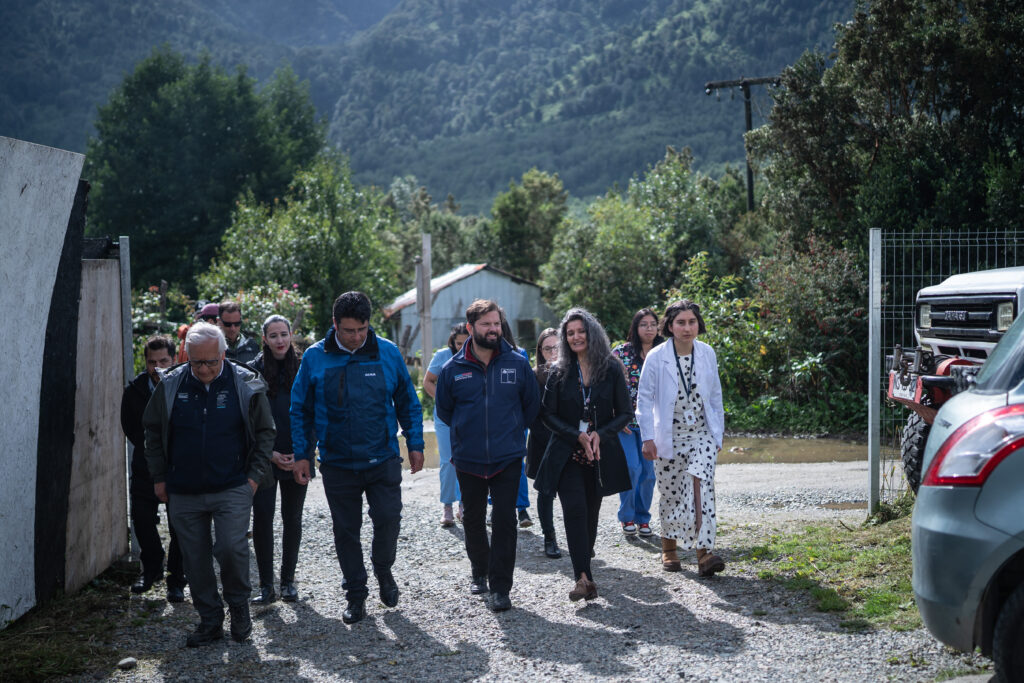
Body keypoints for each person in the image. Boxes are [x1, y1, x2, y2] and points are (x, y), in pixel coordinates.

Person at [290, 291, 424, 625]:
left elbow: (408, 401)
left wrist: (415, 442)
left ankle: (383, 569)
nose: (356, 337)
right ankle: (356, 594)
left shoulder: (387, 353)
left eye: (362, 329)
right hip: (337, 464)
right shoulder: (314, 357)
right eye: (349, 330)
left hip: (382, 458)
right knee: (346, 531)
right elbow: (300, 410)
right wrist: (303, 455)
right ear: (335, 324)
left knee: (389, 519)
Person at [143, 322, 275, 647]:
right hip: (183, 489)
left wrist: (253, 478)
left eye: (211, 362)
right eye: (196, 362)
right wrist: (160, 477)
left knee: (231, 548)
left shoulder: (245, 384)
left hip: (232, 485)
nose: (203, 369)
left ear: (223, 354)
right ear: (187, 355)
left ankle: (239, 607)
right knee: (194, 558)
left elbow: (265, 432)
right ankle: (210, 619)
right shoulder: (171, 385)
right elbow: (152, 432)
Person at [435, 299, 540, 612]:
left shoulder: (518, 363)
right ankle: (479, 570)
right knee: (473, 520)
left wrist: (509, 432)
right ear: (470, 328)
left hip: (507, 458)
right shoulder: (452, 369)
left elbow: (531, 406)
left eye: (496, 324)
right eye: (486, 325)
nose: (493, 329)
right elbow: (444, 410)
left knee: (505, 521)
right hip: (468, 460)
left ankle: (500, 587)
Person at [535, 308, 633, 602]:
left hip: (599, 455)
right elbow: (547, 415)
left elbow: (625, 413)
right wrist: (576, 434)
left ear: (591, 333)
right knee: (573, 511)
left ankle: (585, 566)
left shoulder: (611, 367)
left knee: (590, 515)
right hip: (566, 453)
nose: (576, 337)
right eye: (570, 333)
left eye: (580, 331)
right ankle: (583, 578)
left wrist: (599, 434)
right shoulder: (558, 371)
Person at [636, 300, 726, 576]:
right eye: (681, 322)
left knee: (701, 487)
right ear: (670, 326)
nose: (688, 328)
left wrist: (718, 433)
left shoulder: (707, 353)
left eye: (692, 322)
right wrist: (648, 437)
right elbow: (645, 398)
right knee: (672, 492)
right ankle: (669, 548)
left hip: (701, 432)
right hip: (669, 435)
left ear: (699, 324)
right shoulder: (657, 356)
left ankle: (704, 552)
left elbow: (715, 396)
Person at [249, 315, 313, 605]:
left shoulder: (303, 367)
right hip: (264, 457)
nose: (279, 341)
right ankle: (266, 586)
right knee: (262, 519)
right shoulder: (252, 371)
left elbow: (312, 415)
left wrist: (303, 455)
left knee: (293, 519)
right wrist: (270, 454)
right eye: (273, 335)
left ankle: (287, 581)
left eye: (283, 334)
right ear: (264, 339)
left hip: (297, 455)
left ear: (291, 335)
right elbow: (246, 421)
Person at [120, 334, 186, 601]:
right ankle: (152, 568)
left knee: (179, 524)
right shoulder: (135, 390)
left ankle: (177, 578)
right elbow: (131, 427)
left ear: (173, 359)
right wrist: (153, 449)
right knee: (142, 519)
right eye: (151, 361)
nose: (157, 366)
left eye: (163, 361)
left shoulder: (184, 385)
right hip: (145, 465)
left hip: (179, 466)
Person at [612, 308, 663, 537]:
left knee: (649, 474)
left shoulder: (664, 352)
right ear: (635, 327)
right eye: (644, 324)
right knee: (631, 468)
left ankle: (643, 518)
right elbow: (607, 384)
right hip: (625, 422)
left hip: (652, 423)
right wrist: (614, 414)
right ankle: (627, 517)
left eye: (653, 324)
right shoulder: (620, 353)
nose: (649, 328)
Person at [422, 323, 469, 527]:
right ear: (452, 341)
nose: (462, 347)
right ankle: (447, 506)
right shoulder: (442, 356)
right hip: (445, 417)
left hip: (469, 417)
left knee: (468, 461)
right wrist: (443, 401)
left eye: (466, 343)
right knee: (448, 461)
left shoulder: (477, 355)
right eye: (458, 343)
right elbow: (428, 382)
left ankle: (464, 504)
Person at [526, 328, 562, 558]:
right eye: (548, 348)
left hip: (569, 441)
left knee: (573, 492)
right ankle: (550, 538)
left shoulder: (574, 371)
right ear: (540, 351)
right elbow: (531, 413)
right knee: (545, 492)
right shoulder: (533, 375)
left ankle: (581, 539)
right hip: (542, 440)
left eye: (557, 347)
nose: (553, 352)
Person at [219, 300, 260, 364]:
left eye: (237, 324)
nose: (233, 328)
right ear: (219, 322)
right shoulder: (213, 346)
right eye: (228, 324)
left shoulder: (253, 345)